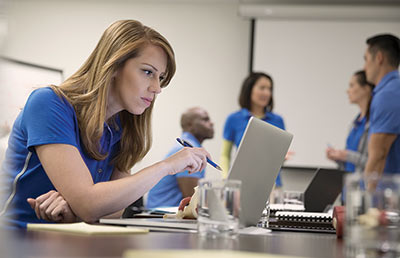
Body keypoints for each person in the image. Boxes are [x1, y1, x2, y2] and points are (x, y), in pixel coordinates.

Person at [0, 20, 212, 229]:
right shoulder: (49, 103)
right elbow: (89, 204)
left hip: (70, 241)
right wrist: (167, 166)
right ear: (114, 65)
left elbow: (115, 207)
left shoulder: (121, 125)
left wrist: (77, 211)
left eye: (161, 77)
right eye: (148, 72)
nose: (157, 88)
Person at [220, 72, 286, 186]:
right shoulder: (233, 119)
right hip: (241, 184)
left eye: (269, 89)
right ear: (249, 89)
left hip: (272, 186)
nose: (267, 93)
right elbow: (225, 155)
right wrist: (226, 178)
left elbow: (277, 158)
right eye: (262, 88)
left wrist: (282, 157)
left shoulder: (278, 120)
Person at [146, 107, 214, 208]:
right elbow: (193, 198)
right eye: (205, 119)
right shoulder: (188, 152)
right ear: (190, 125)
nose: (211, 123)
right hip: (161, 216)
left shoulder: (190, 147)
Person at [363, 34, 400, 178]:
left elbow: (379, 155)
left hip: (389, 192)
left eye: (366, 60)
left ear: (379, 58)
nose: (364, 67)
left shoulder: (388, 94)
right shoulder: (393, 90)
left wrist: (365, 198)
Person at [326, 71, 374, 173]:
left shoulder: (373, 124)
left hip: (365, 186)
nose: (348, 91)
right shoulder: (354, 124)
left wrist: (347, 155)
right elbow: (350, 164)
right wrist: (339, 158)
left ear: (366, 88)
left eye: (352, 85)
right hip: (350, 185)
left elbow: (374, 162)